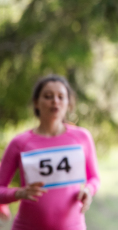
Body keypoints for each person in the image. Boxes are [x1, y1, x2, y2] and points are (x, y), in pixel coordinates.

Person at [0, 75, 100, 230]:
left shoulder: (82, 137)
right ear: (36, 102)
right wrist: (19, 193)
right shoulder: (20, 143)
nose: (55, 101)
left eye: (61, 97)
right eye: (48, 96)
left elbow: (94, 178)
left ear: (68, 103)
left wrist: (88, 190)